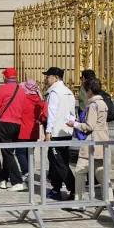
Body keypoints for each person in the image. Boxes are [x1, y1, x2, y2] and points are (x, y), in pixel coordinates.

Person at [69, 77, 113, 205]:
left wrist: (75, 124)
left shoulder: (93, 105)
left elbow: (89, 126)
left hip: (92, 143)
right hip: (103, 140)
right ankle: (109, 201)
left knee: (80, 170)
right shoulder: (103, 103)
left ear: (89, 91)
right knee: (101, 173)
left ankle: (79, 201)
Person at [0, 68, 29, 191]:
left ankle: (17, 181)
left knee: (7, 153)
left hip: (5, 122)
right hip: (17, 123)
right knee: (8, 152)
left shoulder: (3, 88)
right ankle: (4, 179)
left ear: (5, 78)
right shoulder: (21, 90)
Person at [43, 67, 76, 200]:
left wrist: (48, 131)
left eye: (48, 76)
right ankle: (56, 188)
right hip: (66, 131)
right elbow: (73, 113)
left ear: (56, 78)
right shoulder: (68, 92)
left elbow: (52, 113)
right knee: (56, 161)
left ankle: (73, 189)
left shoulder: (55, 92)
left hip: (56, 131)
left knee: (60, 163)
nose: (46, 78)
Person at [18, 78, 45, 178]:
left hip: (24, 128)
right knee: (30, 152)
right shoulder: (38, 98)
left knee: (20, 152)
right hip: (34, 129)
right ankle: (30, 170)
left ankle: (26, 171)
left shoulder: (23, 98)